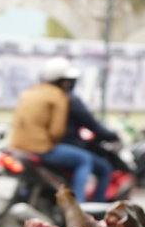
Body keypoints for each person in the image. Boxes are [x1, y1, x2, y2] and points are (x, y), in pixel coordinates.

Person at [9, 57, 116, 202]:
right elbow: (56, 132)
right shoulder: (59, 97)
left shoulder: (30, 92)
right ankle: (79, 207)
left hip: (18, 147)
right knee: (84, 159)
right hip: (41, 148)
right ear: (64, 81)